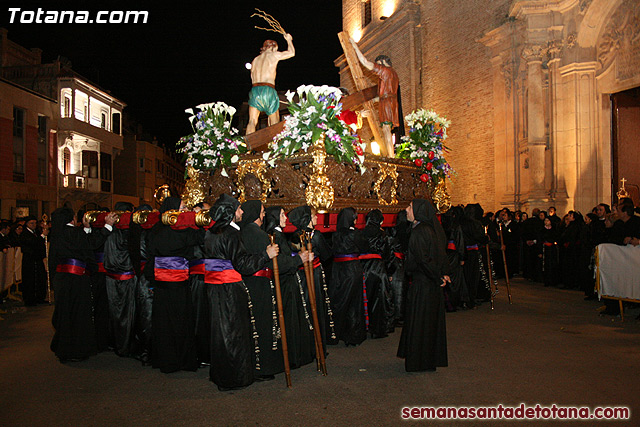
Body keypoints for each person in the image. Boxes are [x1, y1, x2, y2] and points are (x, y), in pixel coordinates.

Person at [203, 194, 279, 391]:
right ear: (229, 211)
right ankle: (234, 377)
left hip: (214, 289)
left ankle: (221, 374)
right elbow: (243, 264)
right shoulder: (230, 233)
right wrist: (266, 255)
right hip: (229, 289)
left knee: (220, 332)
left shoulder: (211, 232)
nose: (242, 212)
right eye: (238, 208)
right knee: (234, 333)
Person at [145, 197, 203, 373]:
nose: (185, 211)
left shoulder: (155, 229)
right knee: (181, 322)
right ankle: (182, 360)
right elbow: (200, 238)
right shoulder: (181, 232)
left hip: (161, 283)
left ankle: (165, 359)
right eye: (183, 207)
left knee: (163, 323)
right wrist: (196, 218)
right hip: (178, 283)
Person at [49, 208, 115, 362]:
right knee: (78, 314)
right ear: (71, 219)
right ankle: (76, 350)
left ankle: (64, 348)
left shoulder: (58, 234)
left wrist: (85, 228)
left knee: (65, 314)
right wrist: (108, 226)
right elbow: (91, 244)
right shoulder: (74, 233)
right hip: (76, 279)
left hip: (61, 279)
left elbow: (79, 243)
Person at [397, 199, 448, 372]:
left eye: (410, 207)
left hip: (424, 284)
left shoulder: (420, 231)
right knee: (425, 323)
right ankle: (425, 359)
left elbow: (424, 261)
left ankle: (419, 361)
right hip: (428, 282)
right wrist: (440, 275)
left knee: (421, 323)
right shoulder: (428, 229)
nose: (406, 210)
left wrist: (436, 277)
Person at [264, 206, 315, 369]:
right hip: (284, 283)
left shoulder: (278, 235)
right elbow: (279, 263)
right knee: (288, 318)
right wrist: (299, 259)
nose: (286, 219)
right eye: (282, 215)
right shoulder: (274, 236)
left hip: (288, 281)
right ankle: (291, 356)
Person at [289, 205, 335, 349]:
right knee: (317, 306)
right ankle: (318, 344)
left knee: (303, 306)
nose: (317, 218)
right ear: (307, 220)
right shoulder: (317, 236)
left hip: (299, 275)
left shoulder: (294, 235)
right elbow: (327, 254)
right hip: (314, 274)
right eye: (314, 216)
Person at [350, 37, 400, 157]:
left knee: (386, 130)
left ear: (382, 63)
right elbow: (387, 93)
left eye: (378, 65)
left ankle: (390, 157)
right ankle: (390, 154)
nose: (377, 69)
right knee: (387, 129)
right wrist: (373, 100)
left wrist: (354, 45)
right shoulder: (394, 74)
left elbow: (365, 62)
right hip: (390, 101)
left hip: (387, 103)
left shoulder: (386, 71)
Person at [329, 207, 366, 346]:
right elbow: (364, 246)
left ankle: (334, 333)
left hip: (338, 270)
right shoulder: (355, 234)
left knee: (338, 301)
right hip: (352, 270)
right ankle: (352, 335)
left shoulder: (336, 234)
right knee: (354, 303)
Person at [246, 33, 295, 135]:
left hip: (255, 90)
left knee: (252, 121)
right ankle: (275, 147)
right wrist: (289, 40)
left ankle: (247, 149)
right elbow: (291, 53)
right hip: (268, 89)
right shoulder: (273, 55)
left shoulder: (255, 60)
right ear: (274, 48)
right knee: (274, 122)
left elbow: (251, 77)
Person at [357, 209, 395, 337]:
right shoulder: (383, 234)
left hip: (363, 268)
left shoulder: (361, 233)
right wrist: (390, 272)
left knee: (363, 298)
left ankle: (361, 328)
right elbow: (388, 254)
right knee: (380, 299)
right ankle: (378, 329)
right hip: (378, 269)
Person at [18, 216, 46, 306]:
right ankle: (30, 299)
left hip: (37, 259)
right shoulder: (24, 234)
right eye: (31, 223)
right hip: (29, 260)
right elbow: (33, 242)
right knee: (30, 280)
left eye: (34, 223)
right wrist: (42, 236)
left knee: (40, 278)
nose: (34, 225)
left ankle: (39, 297)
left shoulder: (36, 232)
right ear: (27, 224)